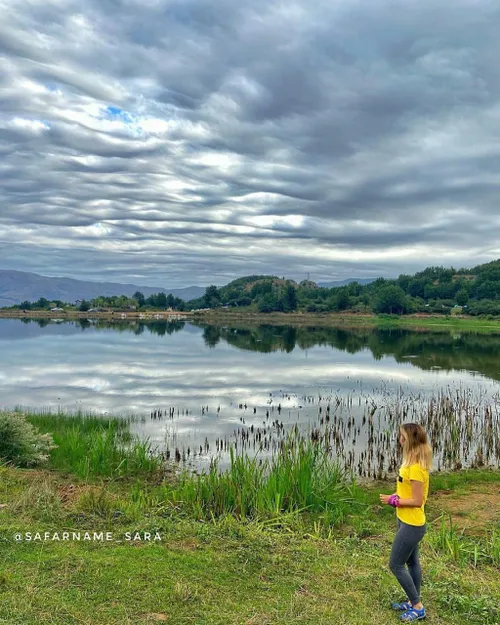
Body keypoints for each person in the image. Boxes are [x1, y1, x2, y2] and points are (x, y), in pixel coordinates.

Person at [379, 423, 432, 622]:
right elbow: (407, 491)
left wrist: (395, 501)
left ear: (409, 439)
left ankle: (418, 607)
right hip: (404, 521)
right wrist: (397, 495)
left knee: (396, 564)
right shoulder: (410, 463)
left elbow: (418, 501)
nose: (399, 439)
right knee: (411, 562)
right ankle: (413, 601)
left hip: (412, 525)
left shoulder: (417, 468)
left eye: (402, 436)